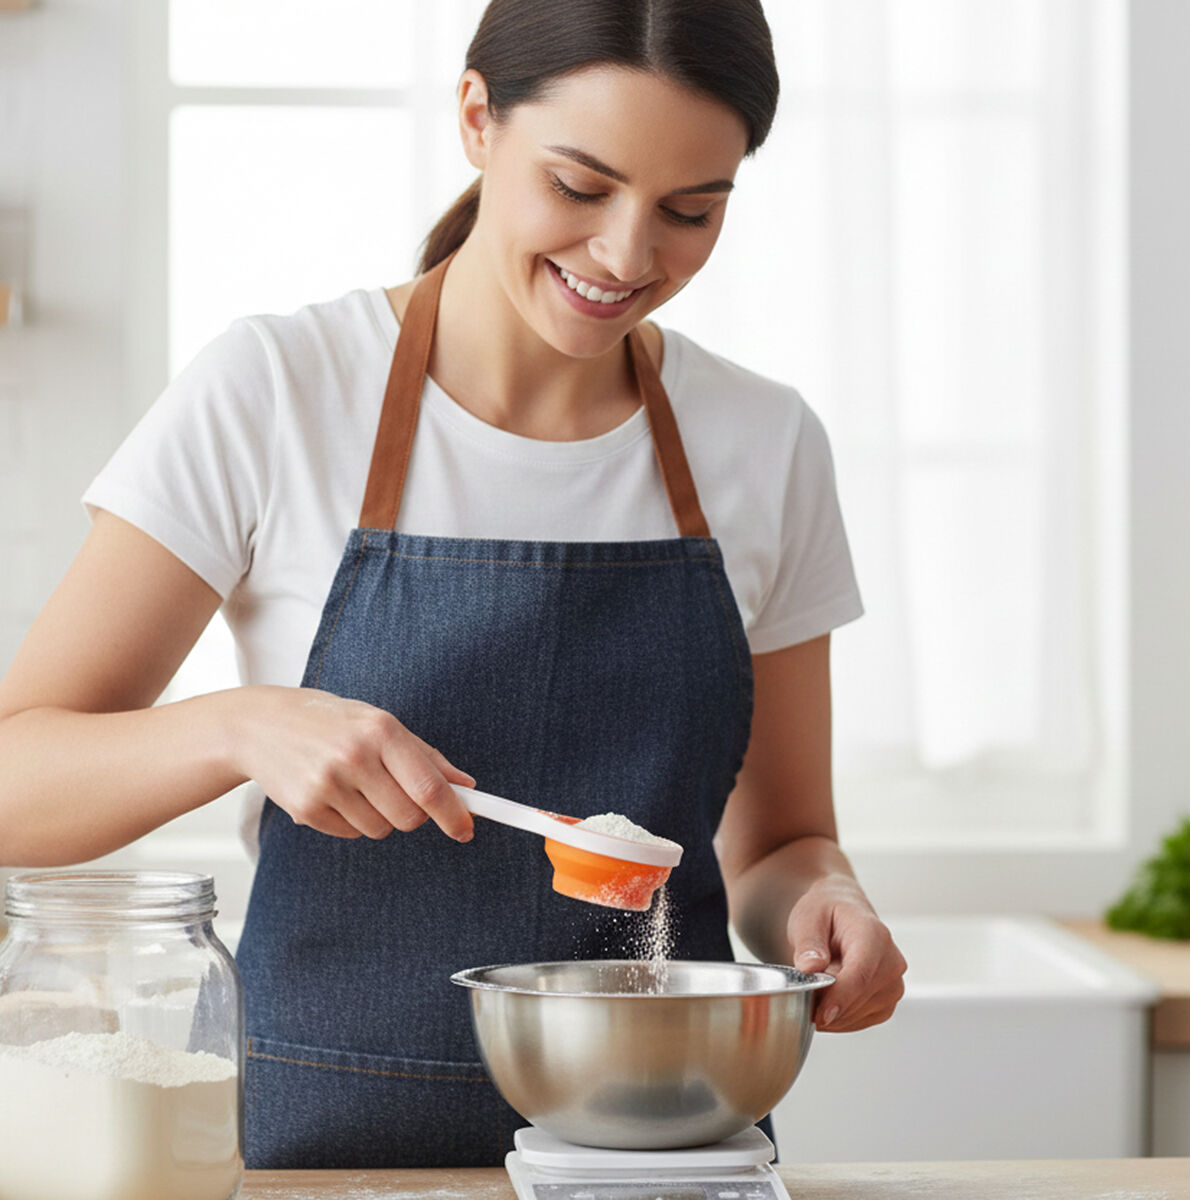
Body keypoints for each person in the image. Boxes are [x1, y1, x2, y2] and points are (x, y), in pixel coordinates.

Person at [0, 0, 905, 1169]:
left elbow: (784, 841)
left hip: (665, 1155)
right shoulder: (277, 390)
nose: (629, 256)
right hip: (321, 1153)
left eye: (690, 210)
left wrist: (826, 906)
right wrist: (238, 726)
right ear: (477, 118)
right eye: (580, 187)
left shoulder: (765, 441)